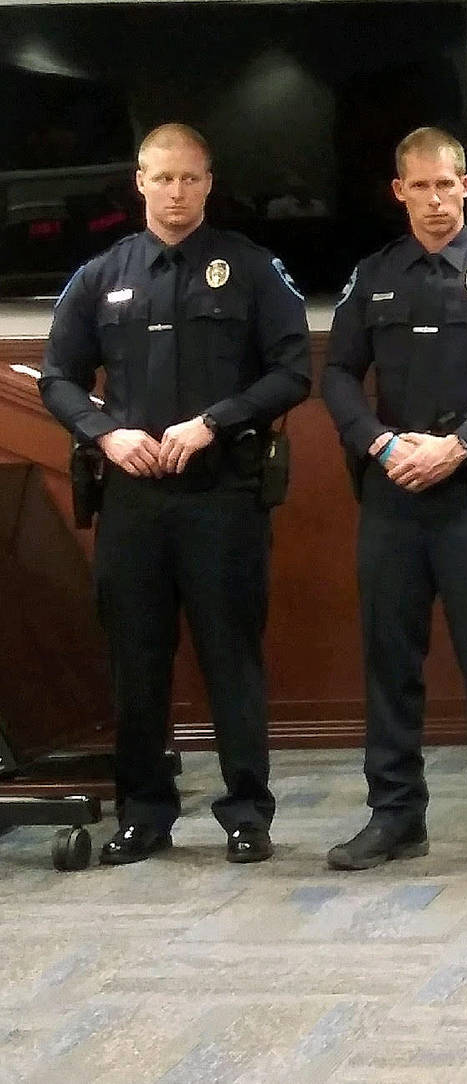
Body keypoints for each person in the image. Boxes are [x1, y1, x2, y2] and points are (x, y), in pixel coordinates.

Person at [39, 123, 311, 865]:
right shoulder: (102, 274)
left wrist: (214, 423)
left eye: (190, 178)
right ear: (139, 182)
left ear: (209, 182)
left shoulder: (252, 269)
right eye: (163, 178)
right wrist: (105, 434)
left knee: (232, 657)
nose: (176, 192)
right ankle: (144, 813)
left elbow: (294, 371)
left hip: (223, 494)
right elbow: (56, 376)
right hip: (133, 498)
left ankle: (247, 813)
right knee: (136, 660)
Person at [320, 127, 467, 874]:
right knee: (391, 658)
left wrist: (461, 446)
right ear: (400, 192)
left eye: (444, 185)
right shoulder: (373, 277)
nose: (432, 200)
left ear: (466, 185)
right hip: (393, 490)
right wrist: (381, 444)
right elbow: (337, 376)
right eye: (417, 187)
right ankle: (394, 817)